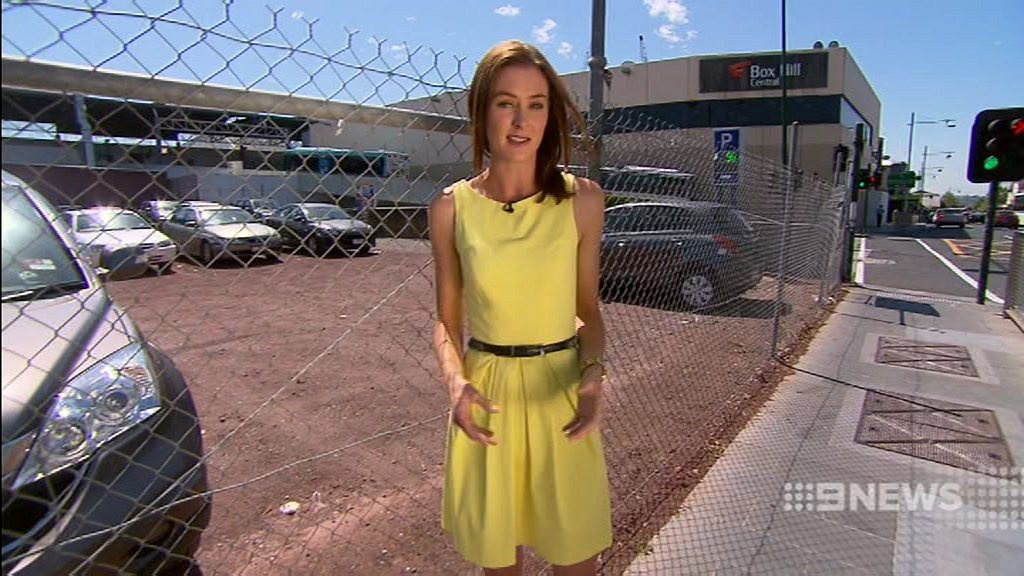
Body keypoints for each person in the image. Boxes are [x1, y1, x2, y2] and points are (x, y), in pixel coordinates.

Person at [429, 39, 612, 575]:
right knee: (499, 563)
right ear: (482, 111)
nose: (520, 120)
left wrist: (593, 378)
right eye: (506, 102)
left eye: (536, 104)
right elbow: (446, 321)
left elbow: (588, 312)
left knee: (577, 561)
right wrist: (455, 384)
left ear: (550, 116)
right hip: (488, 398)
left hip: (562, 395)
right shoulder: (450, 208)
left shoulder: (583, 201)